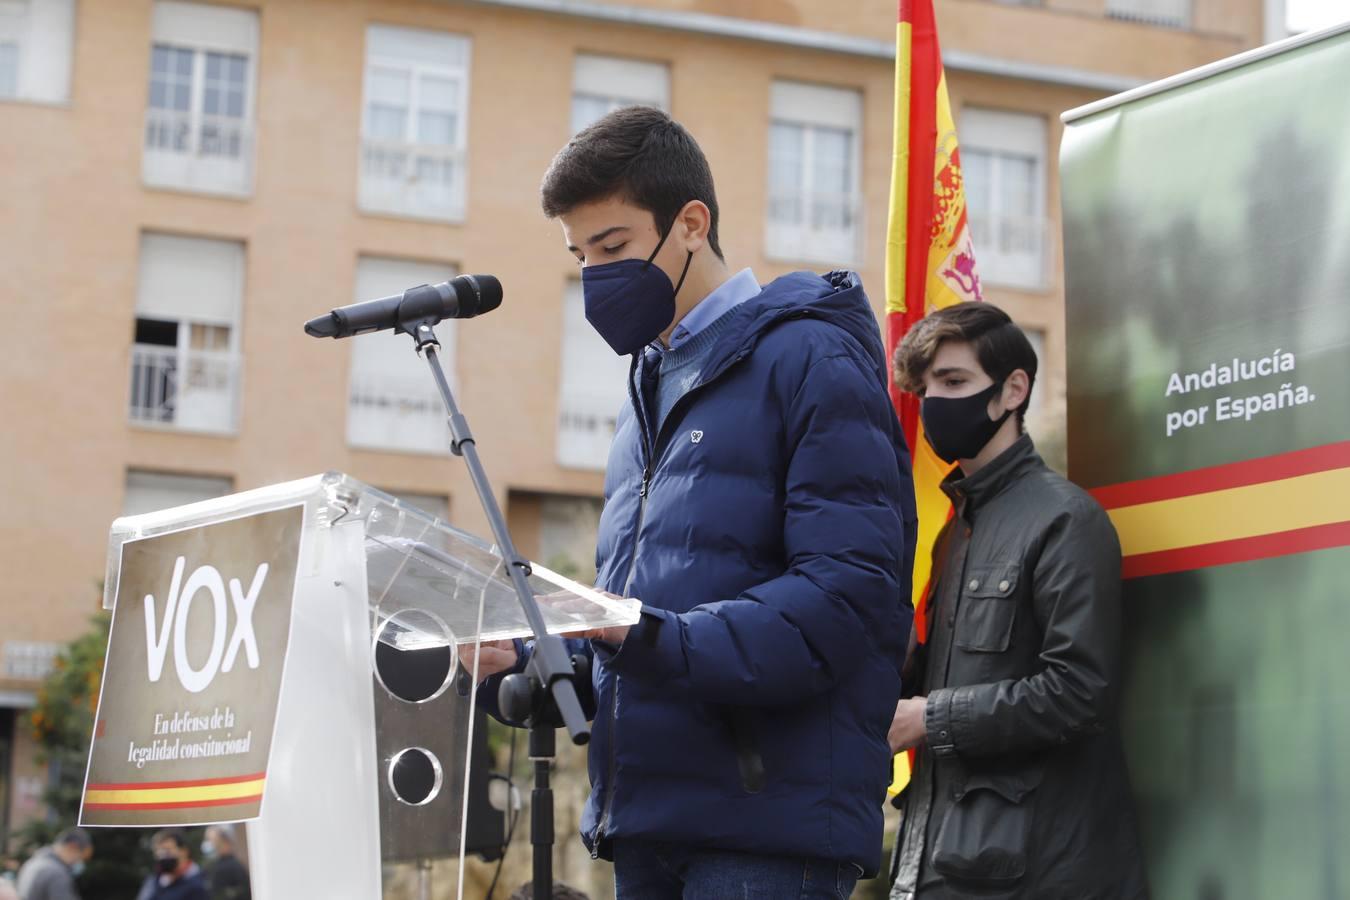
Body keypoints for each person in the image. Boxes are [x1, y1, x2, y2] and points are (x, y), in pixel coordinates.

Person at [470, 106, 917, 899]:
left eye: (612, 248)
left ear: (690, 224)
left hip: (767, 826)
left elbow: (847, 599)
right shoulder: (644, 394)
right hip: (651, 817)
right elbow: (658, 618)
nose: (596, 276)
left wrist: (647, 635)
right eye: (580, 256)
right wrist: (546, 655)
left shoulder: (810, 358)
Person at [886, 302, 1148, 899]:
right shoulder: (952, 533)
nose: (934, 405)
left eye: (953, 382)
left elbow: (1080, 692)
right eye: (925, 389)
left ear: (1013, 390)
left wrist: (929, 716)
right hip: (945, 865)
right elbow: (953, 681)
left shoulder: (1066, 519)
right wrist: (904, 663)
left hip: (1039, 876)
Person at [15, 829, 90, 900]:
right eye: (80, 856)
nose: (78, 861)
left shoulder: (33, 862)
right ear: (72, 846)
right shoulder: (56, 873)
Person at [135, 830, 208, 900]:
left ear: (184, 851)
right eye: (158, 851)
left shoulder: (200, 883)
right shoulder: (154, 882)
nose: (163, 855)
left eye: (167, 850)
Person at [200, 825, 249, 900]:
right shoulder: (214, 866)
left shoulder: (232, 867)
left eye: (211, 840)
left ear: (225, 841)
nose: (208, 844)